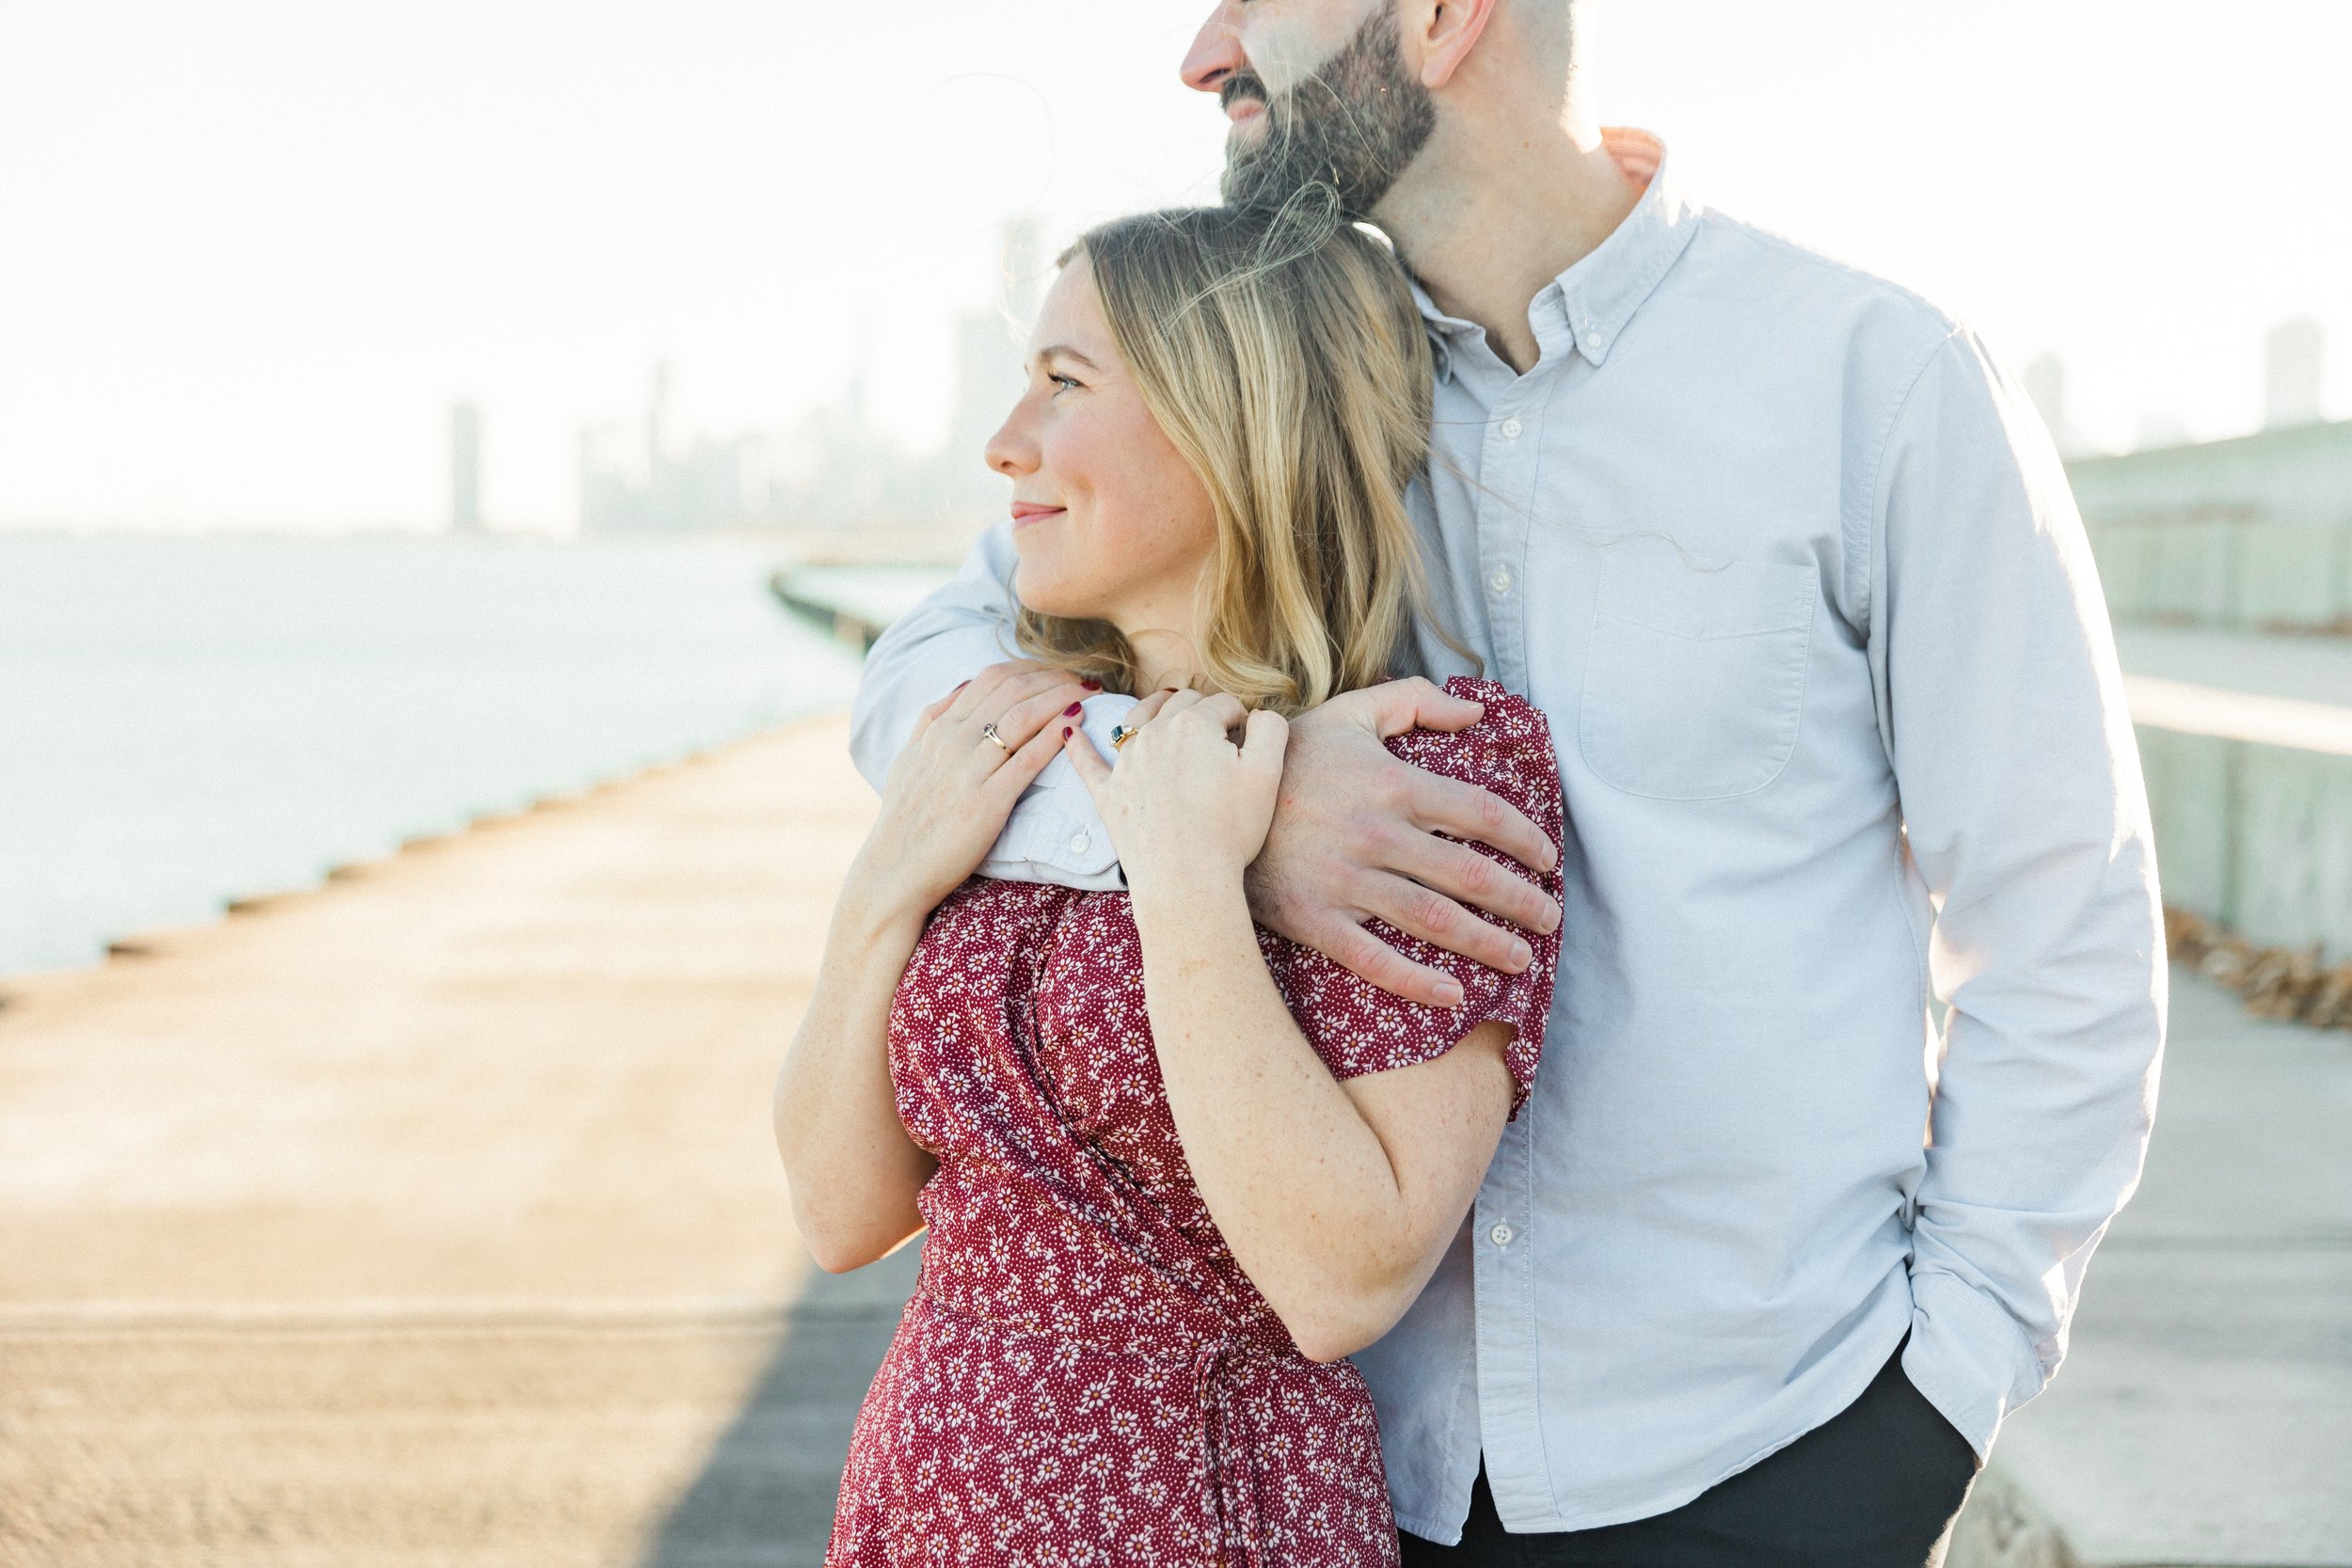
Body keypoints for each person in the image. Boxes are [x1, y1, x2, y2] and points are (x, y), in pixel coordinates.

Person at [851, 1, 2169, 1562]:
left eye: (1254, 4)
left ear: (1438, 17)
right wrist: (1207, 809)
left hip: (1772, 1453)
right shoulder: (1301, 395)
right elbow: (921, 667)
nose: (1205, 53)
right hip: (1348, 1470)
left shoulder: (1869, 381)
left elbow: (2061, 925)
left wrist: (1940, 1400)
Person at [776, 203, 1565, 1565]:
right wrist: (881, 893)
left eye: (1063, 384)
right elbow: (842, 1213)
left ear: (1225, 419)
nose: (1004, 440)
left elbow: (1340, 1279)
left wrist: (1191, 876)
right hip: (924, 1509)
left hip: (1198, 1517)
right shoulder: (1020, 737)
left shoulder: (1425, 777)